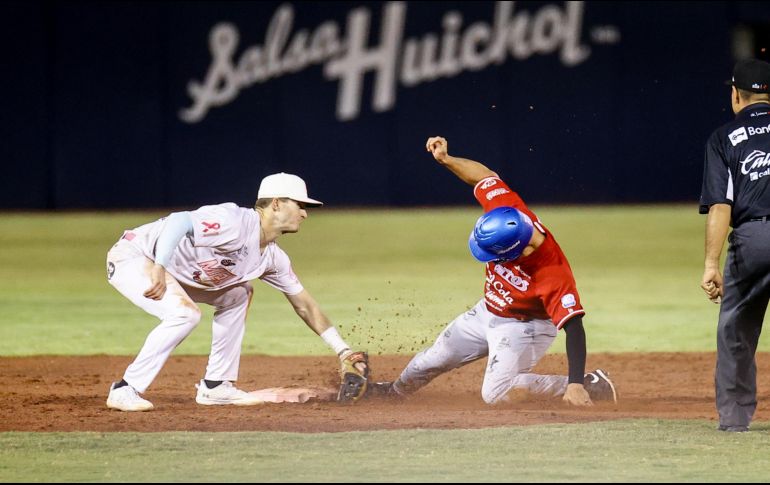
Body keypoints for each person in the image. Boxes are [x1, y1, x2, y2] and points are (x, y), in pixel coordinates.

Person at [371, 136, 617, 405]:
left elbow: (575, 328)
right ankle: (392, 394)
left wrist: (575, 382)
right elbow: (484, 178)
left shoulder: (552, 273)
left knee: (495, 394)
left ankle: (590, 385)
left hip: (526, 327)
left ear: (514, 250)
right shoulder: (506, 210)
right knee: (432, 359)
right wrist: (446, 160)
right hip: (487, 310)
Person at [105, 172, 366, 411]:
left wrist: (343, 351)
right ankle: (125, 389)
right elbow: (178, 221)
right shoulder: (235, 221)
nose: (305, 213)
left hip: (182, 275)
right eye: (299, 205)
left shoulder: (273, 258)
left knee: (239, 294)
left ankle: (216, 386)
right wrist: (160, 266)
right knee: (185, 315)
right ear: (276, 204)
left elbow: (305, 305)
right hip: (136, 257)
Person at [700, 58, 770, 432]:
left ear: (735, 94)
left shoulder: (724, 138)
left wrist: (711, 263)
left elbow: (720, 206)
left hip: (753, 239)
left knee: (736, 330)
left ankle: (735, 418)